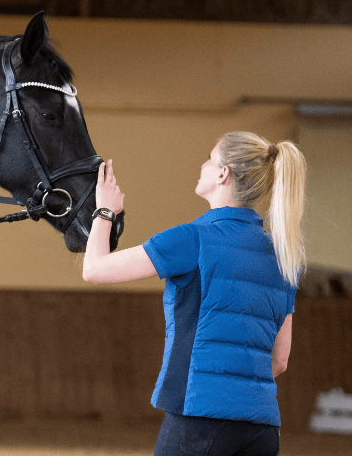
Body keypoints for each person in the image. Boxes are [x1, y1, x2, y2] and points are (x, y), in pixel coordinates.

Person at [82, 132, 306, 456]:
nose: (202, 165)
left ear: (222, 173)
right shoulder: (284, 256)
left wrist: (104, 211)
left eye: (209, 158)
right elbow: (280, 359)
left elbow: (95, 269)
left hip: (199, 421)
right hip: (262, 428)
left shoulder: (192, 239)